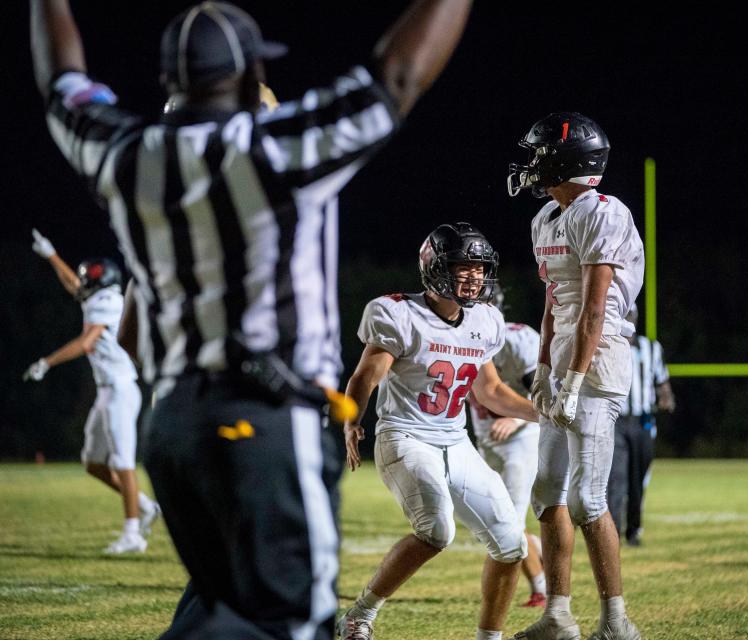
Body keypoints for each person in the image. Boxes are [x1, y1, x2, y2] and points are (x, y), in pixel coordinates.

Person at [31, 0, 474, 636]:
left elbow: (60, 83)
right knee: (292, 623)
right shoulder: (276, 151)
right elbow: (399, 76)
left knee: (217, 610)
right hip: (264, 423)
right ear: (248, 79)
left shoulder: (126, 155)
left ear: (167, 81)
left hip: (175, 425)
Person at [338, 223, 540, 640]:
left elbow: (492, 391)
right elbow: (366, 377)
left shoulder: (484, 320)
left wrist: (543, 413)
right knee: (436, 530)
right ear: (434, 267)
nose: (474, 276)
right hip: (405, 436)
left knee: (511, 544)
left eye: (479, 268)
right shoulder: (398, 312)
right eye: (462, 266)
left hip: (455, 440)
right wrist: (352, 421)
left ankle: (489, 637)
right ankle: (360, 615)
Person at [507, 112, 646, 640]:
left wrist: (572, 380)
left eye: (542, 154)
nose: (534, 163)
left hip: (600, 356)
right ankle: (558, 616)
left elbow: (594, 307)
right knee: (547, 494)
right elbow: (554, 302)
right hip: (564, 354)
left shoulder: (603, 212)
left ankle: (617, 622)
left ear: (566, 161)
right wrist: (543, 366)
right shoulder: (546, 216)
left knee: (589, 499)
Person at [24, 231, 161, 554]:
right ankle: (145, 506)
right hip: (107, 392)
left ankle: (132, 534)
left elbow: (87, 342)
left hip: (120, 390)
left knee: (123, 461)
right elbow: (75, 284)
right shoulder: (101, 297)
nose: (83, 286)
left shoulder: (109, 301)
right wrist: (51, 254)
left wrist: (47, 361)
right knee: (93, 462)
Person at [468, 285, 547, 608]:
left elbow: (544, 398)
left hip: (521, 437)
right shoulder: (455, 337)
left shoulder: (517, 340)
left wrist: (516, 419)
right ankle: (539, 550)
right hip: (484, 438)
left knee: (509, 523)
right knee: (494, 518)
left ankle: (541, 588)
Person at [606, 310, 675, 547]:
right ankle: (612, 533)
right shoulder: (608, 344)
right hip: (615, 420)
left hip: (643, 421)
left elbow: (661, 381)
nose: (628, 321)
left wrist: (666, 397)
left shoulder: (651, 348)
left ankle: (633, 531)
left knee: (638, 478)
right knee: (616, 478)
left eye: (631, 316)